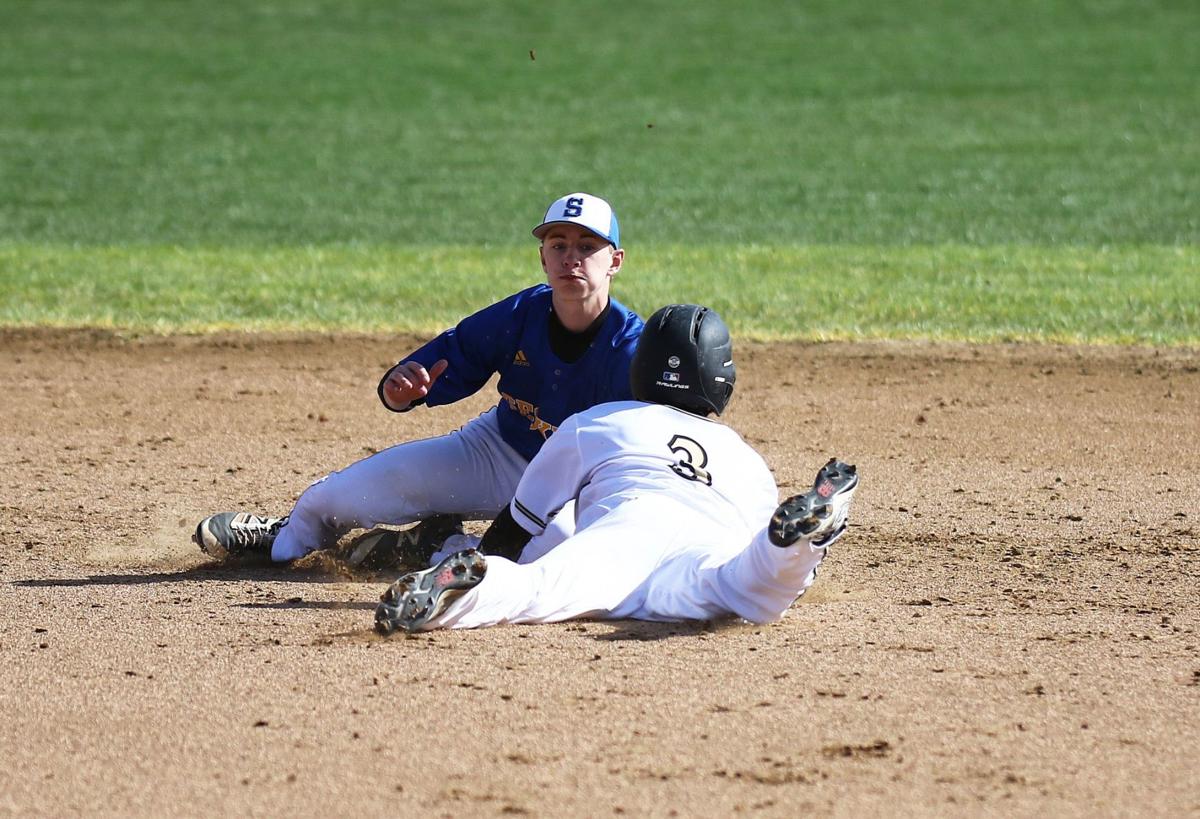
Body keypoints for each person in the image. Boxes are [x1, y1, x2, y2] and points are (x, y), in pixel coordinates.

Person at [193, 192, 645, 566]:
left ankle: (435, 547)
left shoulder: (632, 347)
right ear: (543, 258)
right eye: (558, 245)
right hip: (497, 452)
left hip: (573, 486)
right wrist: (401, 389)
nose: (571, 258)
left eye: (587, 247)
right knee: (332, 497)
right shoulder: (519, 315)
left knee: (557, 557)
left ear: (615, 261)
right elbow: (452, 357)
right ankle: (286, 536)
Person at [374, 303, 860, 634]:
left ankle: (467, 590)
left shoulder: (597, 422)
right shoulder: (748, 460)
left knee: (539, 591)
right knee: (744, 584)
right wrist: (796, 575)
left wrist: (496, 557)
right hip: (708, 544)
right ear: (720, 377)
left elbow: (519, 523)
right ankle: (789, 551)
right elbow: (798, 586)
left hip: (623, 534)